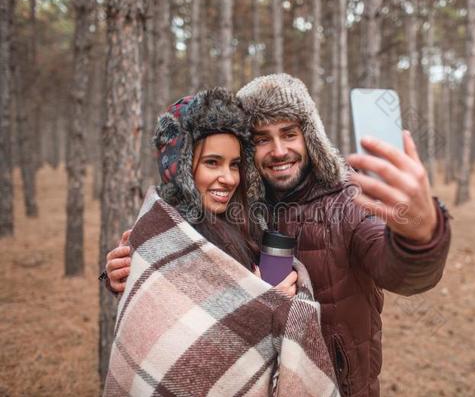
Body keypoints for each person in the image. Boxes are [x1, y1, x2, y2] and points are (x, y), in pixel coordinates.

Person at [106, 74, 451, 396]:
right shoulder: (235, 208)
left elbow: (400, 272)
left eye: (289, 133)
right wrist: (137, 270)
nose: (279, 150)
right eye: (261, 139)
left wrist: (421, 235)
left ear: (309, 136)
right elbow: (192, 295)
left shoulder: (347, 202)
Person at [103, 87, 338, 396]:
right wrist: (263, 305)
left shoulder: (242, 225)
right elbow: (167, 341)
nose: (228, 178)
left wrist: (269, 301)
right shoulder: (156, 232)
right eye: (212, 162)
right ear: (181, 165)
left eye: (235, 164)